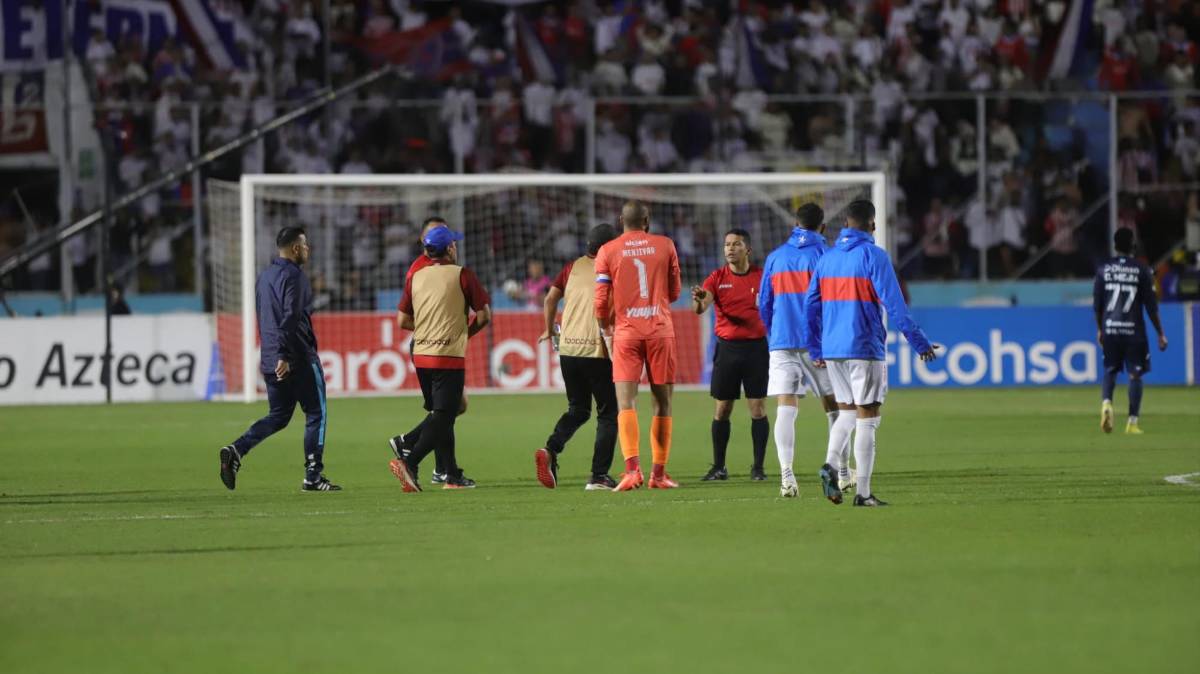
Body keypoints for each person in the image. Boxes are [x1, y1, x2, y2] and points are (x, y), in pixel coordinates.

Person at [804, 200, 936, 507]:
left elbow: (811, 305)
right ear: (872, 225)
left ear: (846, 224)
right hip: (864, 346)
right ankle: (862, 493)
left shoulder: (827, 258)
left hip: (834, 349)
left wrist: (816, 346)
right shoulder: (874, 256)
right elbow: (895, 305)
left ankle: (830, 464)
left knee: (847, 412)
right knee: (868, 417)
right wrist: (919, 342)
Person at [219, 227, 340, 492]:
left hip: (270, 357)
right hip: (296, 357)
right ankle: (313, 476)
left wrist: (275, 354)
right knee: (316, 413)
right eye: (305, 245)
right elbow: (290, 317)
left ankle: (236, 450)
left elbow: (267, 319)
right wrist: (285, 355)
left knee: (278, 416)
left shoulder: (264, 277)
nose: (308, 250)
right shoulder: (294, 276)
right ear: (296, 248)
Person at [388, 225, 491, 491]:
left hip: (421, 354)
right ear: (449, 249)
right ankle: (409, 456)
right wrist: (464, 334)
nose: (456, 247)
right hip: (447, 355)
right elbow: (484, 316)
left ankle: (451, 476)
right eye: (454, 244)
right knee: (446, 415)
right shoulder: (463, 275)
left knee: (442, 413)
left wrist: (427, 331)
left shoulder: (416, 277)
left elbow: (403, 319)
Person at [759, 204, 851, 499]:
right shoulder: (826, 256)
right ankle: (843, 471)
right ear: (822, 228)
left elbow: (764, 304)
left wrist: (775, 333)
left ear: (794, 225)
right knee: (836, 407)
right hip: (820, 344)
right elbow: (837, 302)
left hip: (783, 342)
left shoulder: (775, 258)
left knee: (786, 408)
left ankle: (787, 476)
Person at [594, 200, 682, 491]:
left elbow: (600, 299)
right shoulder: (666, 245)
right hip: (659, 330)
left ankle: (633, 471)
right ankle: (659, 474)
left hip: (627, 333)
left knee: (625, 403)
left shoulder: (607, 251)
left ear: (621, 220)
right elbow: (675, 291)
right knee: (663, 402)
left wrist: (605, 325)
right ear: (647, 220)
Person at [535, 224, 620, 491]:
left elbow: (550, 300)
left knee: (579, 409)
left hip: (568, 350)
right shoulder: (614, 268)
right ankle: (598, 476)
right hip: (597, 350)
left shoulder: (572, 267)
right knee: (608, 414)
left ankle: (551, 449)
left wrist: (549, 330)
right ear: (607, 247)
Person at [691, 228, 769, 481]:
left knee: (757, 409)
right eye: (727, 245)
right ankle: (719, 467)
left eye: (736, 244)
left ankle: (758, 468)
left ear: (747, 250)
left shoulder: (762, 277)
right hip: (727, 350)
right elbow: (701, 307)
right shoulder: (716, 278)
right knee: (722, 409)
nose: (730, 249)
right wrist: (699, 300)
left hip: (756, 348)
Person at [1094, 228, 1167, 435]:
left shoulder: (1103, 269)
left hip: (1110, 328)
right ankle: (1132, 422)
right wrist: (1160, 333)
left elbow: (1097, 305)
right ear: (1133, 245)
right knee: (1135, 375)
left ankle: (1107, 403)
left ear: (1115, 245)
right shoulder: (1142, 270)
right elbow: (1151, 307)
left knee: (1110, 369)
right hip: (1133, 330)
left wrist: (1100, 329)